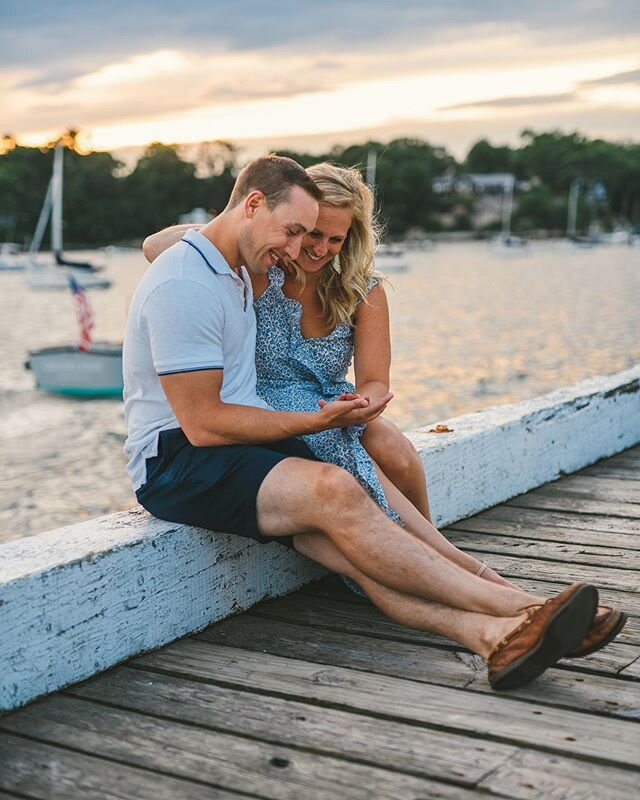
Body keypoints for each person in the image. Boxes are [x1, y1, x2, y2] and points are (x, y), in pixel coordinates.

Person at [125, 154, 623, 692]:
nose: (298, 250)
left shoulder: (248, 269)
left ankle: (493, 638)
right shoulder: (189, 281)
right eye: (294, 232)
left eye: (312, 236)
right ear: (250, 206)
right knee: (338, 489)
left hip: (239, 443)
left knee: (356, 546)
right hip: (179, 458)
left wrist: (336, 412)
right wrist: (312, 419)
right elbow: (203, 425)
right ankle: (526, 608)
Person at [145, 162, 509, 587]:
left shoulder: (362, 290)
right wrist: (242, 223)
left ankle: (428, 553)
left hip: (334, 401)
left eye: (336, 239)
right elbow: (156, 245)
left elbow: (375, 381)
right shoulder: (262, 267)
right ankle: (436, 569)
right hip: (268, 403)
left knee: (392, 445)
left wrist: (365, 402)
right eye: (312, 233)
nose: (319, 249)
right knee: (334, 438)